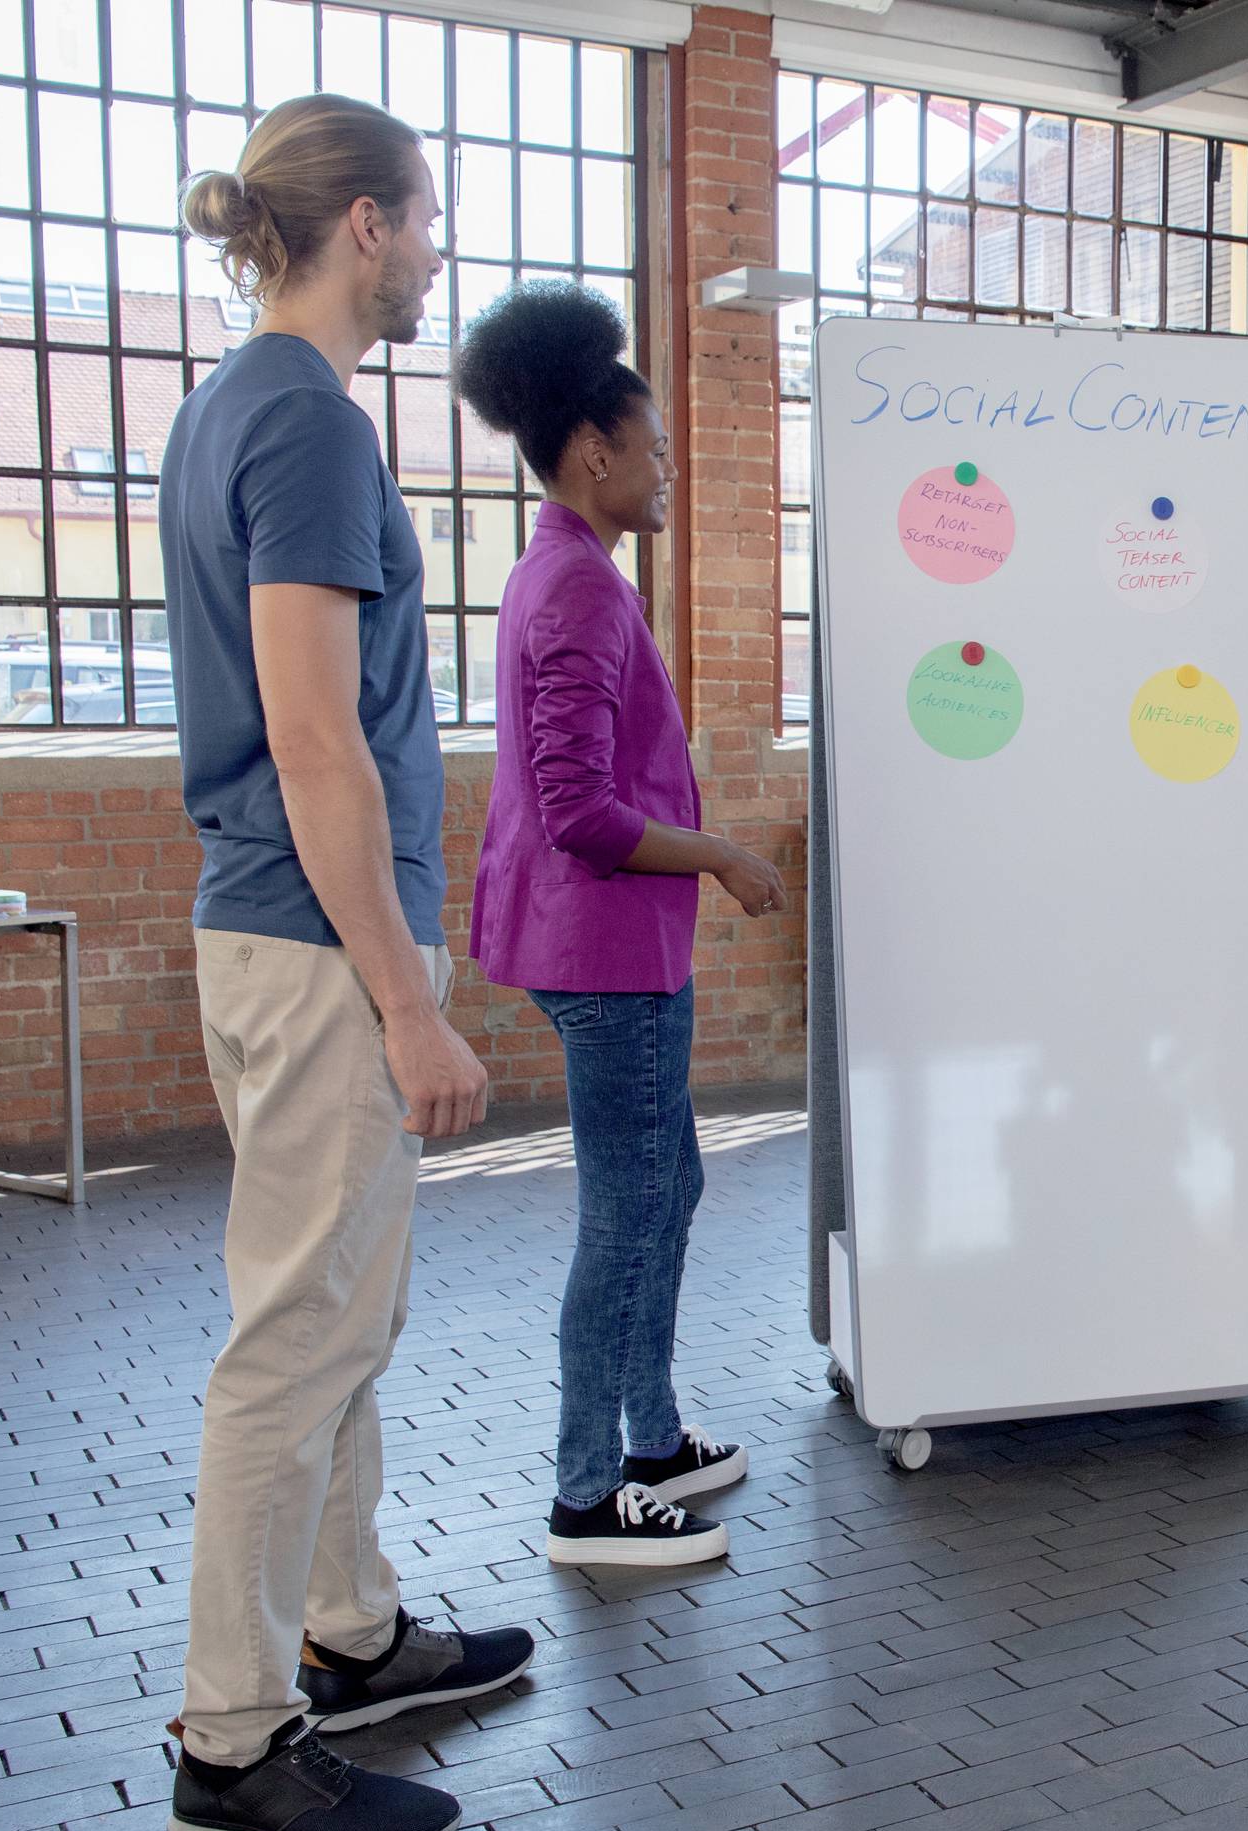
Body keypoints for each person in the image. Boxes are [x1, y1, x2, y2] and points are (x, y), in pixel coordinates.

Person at [159, 94, 531, 1831]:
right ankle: (234, 1746)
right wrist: (403, 995)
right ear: (367, 225)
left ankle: (354, 1633)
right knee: (297, 1341)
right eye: (429, 217)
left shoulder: (240, 402)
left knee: (342, 1319)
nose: (438, 250)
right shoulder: (302, 420)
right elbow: (315, 741)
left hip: (287, 930)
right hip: (318, 945)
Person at [452, 282, 787, 1567]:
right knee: (630, 1205)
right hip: (603, 946)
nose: (667, 472)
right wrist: (724, 858)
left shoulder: (566, 568)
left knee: (669, 1182)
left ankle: (650, 1440)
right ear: (594, 449)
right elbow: (584, 809)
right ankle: (589, 1492)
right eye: (653, 449)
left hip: (606, 943)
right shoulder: (579, 588)